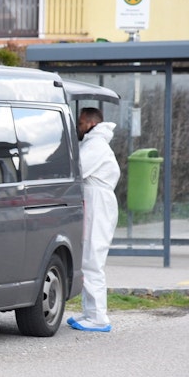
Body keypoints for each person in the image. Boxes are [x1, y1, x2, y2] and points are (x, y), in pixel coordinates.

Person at [67, 107, 120, 333]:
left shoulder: (95, 146)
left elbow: (77, 170)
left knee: (92, 260)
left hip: (98, 205)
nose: (78, 128)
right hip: (97, 203)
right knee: (89, 257)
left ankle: (98, 318)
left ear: (89, 123)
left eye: (80, 124)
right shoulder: (94, 143)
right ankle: (90, 313)